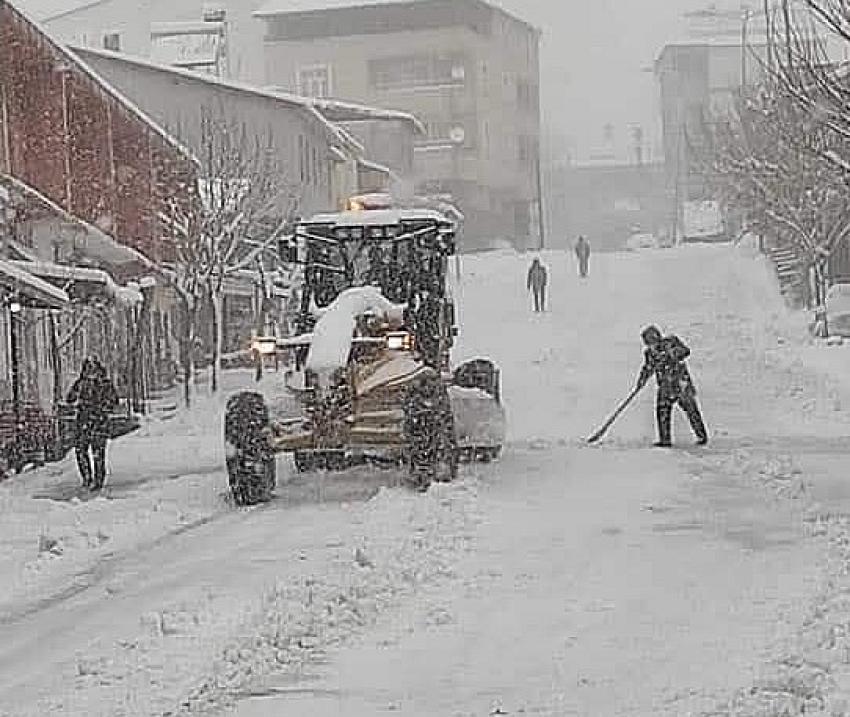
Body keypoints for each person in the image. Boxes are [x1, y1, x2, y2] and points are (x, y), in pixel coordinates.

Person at [635, 326, 708, 448]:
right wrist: (641, 381)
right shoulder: (649, 353)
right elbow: (647, 368)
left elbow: (685, 351)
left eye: (651, 341)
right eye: (648, 343)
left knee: (691, 410)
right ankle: (665, 440)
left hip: (680, 383)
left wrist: (673, 353)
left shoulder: (671, 342)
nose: (650, 345)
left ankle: (702, 436)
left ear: (657, 338)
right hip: (665, 386)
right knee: (662, 411)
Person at [67, 357, 119, 490]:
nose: (90, 372)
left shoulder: (105, 384)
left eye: (92, 368)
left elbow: (113, 400)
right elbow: (70, 399)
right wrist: (77, 390)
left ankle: (98, 480)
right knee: (80, 450)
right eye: (87, 369)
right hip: (83, 422)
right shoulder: (81, 383)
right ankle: (87, 477)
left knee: (98, 453)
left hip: (98, 422)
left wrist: (103, 408)